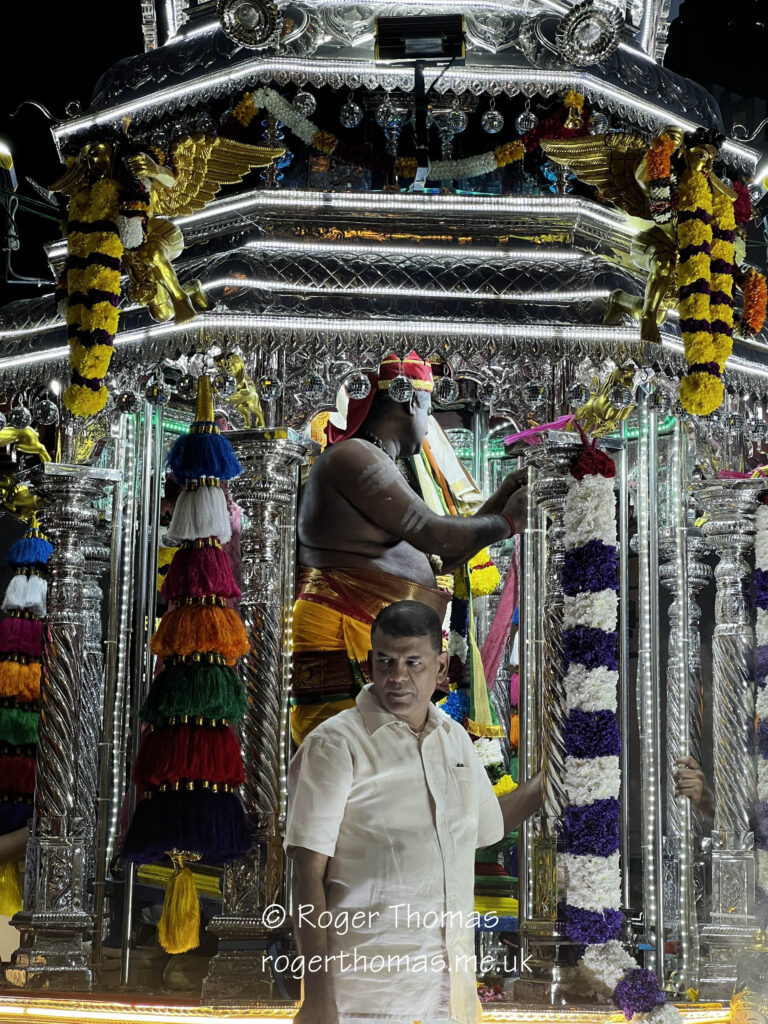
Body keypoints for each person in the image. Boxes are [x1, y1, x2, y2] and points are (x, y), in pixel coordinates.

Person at [285, 600, 542, 1024]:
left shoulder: (454, 738)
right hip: (365, 996)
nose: (397, 677)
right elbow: (307, 873)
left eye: (412, 662)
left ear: (440, 666)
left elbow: (487, 826)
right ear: (369, 663)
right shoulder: (335, 744)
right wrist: (317, 998)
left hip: (451, 995)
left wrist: (550, 782)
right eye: (385, 661)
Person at [292, 351, 528, 744]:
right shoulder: (353, 455)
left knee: (387, 767)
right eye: (430, 407)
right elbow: (433, 534)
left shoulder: (372, 458)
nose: (429, 422)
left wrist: (503, 498)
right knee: (351, 766)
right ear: (411, 401)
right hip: (344, 628)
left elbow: (443, 557)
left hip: (373, 633)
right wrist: (507, 523)